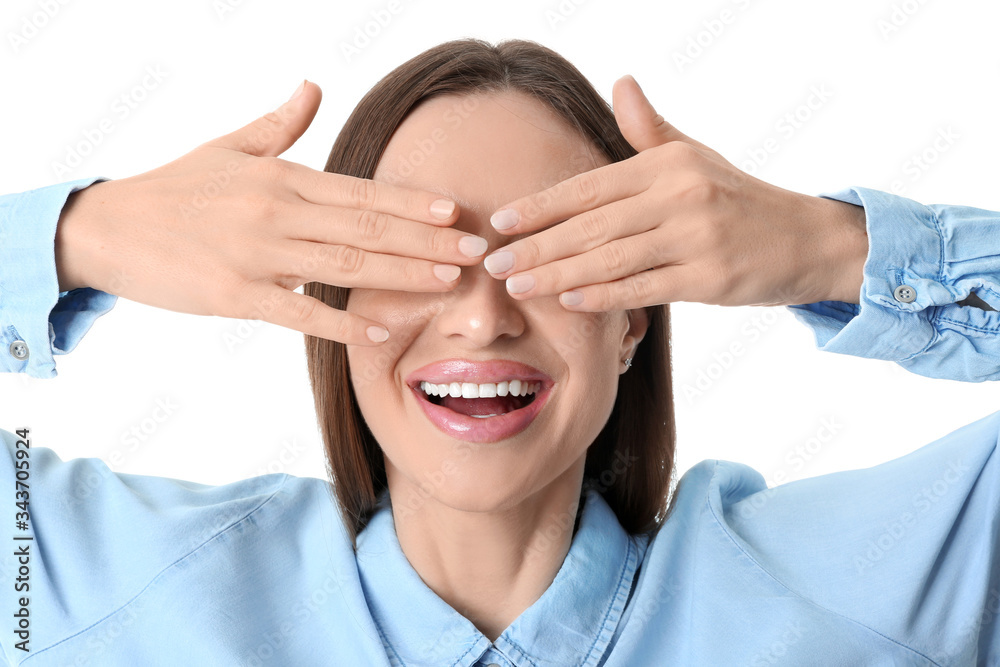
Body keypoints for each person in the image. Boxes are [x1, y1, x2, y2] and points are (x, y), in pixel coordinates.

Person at [1, 37, 998, 665]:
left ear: (633, 319)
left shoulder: (876, 582)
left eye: (550, 255)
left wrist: (830, 249)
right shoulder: (88, 579)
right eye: (413, 256)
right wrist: (79, 238)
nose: (481, 319)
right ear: (327, 293)